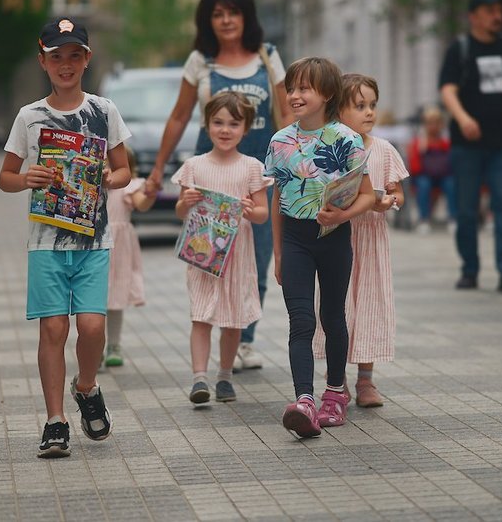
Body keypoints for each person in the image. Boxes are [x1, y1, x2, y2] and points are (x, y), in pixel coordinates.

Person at [0, 17, 132, 458]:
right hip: (46, 243)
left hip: (93, 240)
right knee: (53, 327)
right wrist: (27, 178)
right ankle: (55, 421)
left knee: (92, 327)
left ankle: (86, 386)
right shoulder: (30, 117)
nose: (66, 64)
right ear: (43, 61)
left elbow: (125, 169)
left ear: (87, 59)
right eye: (57, 57)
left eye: (75, 55)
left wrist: (111, 178)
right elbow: (5, 178)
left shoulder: (104, 110)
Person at [146, 0, 287, 371]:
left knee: (256, 257)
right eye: (218, 14)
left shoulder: (268, 56)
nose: (226, 21)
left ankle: (244, 340)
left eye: (233, 12)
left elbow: (286, 115)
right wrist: (159, 168)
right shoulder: (200, 62)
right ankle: (209, 338)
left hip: (259, 172)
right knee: (209, 258)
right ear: (209, 21)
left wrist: (297, 165)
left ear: (246, 16)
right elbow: (179, 116)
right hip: (209, 175)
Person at [264, 57, 375, 438]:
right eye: (291, 88)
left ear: (326, 93)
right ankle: (305, 401)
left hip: (333, 240)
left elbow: (367, 196)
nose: (294, 95)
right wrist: (278, 252)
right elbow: (277, 199)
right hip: (295, 239)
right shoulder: (280, 141)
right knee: (300, 320)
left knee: (332, 316)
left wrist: (341, 218)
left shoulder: (347, 139)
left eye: (303, 89)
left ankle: (334, 393)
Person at [313, 73, 409, 408]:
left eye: (372, 105)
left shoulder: (384, 150)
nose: (369, 112)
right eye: (359, 106)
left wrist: (390, 200)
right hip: (338, 239)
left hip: (371, 243)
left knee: (368, 306)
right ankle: (334, 378)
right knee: (336, 308)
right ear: (339, 111)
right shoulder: (329, 148)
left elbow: (397, 192)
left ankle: (366, 380)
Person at [172, 91, 272, 403]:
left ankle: (225, 376)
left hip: (238, 255)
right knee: (200, 316)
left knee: (232, 319)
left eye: (233, 123)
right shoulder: (193, 166)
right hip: (203, 253)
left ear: (246, 128)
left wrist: (248, 209)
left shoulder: (252, 167)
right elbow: (180, 211)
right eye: (218, 122)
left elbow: (262, 214)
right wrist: (184, 203)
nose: (225, 130)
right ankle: (199, 378)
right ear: (207, 126)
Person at [438, 0, 502, 292]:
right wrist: (463, 118)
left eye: (500, 11)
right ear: (474, 16)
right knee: (467, 210)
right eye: (491, 11)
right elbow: (447, 90)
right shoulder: (460, 49)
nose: (498, 16)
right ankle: (470, 269)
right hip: (467, 146)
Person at [104, 146, 155, 367]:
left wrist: (151, 192)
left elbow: (142, 203)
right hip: (94, 243)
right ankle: (92, 344)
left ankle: (113, 344)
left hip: (119, 247)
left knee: (116, 295)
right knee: (92, 298)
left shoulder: (129, 186)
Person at [407, 106, 455, 233]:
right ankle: (423, 219)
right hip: (424, 176)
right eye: (430, 123)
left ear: (441, 125)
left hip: (443, 177)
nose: (433, 126)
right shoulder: (419, 142)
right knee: (423, 184)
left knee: (451, 184)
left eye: (436, 123)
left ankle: (453, 218)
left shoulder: (446, 142)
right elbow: (415, 167)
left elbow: (452, 164)